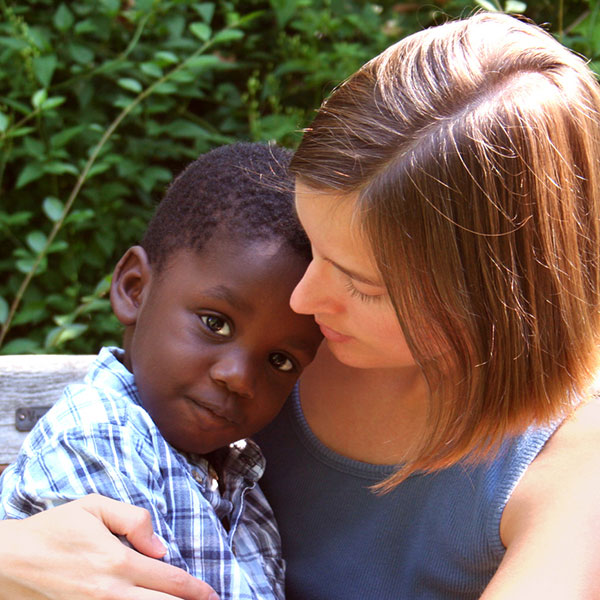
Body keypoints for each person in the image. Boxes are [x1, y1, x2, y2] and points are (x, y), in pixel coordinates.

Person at [2, 11, 600, 600]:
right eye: (313, 245)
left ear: (494, 300)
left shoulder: (572, 463)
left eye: (362, 284)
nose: (303, 298)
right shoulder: (258, 344)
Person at [0, 143, 322, 600]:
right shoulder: (101, 440)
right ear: (134, 289)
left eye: (280, 361)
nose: (239, 377)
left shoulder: (241, 484)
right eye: (215, 323)